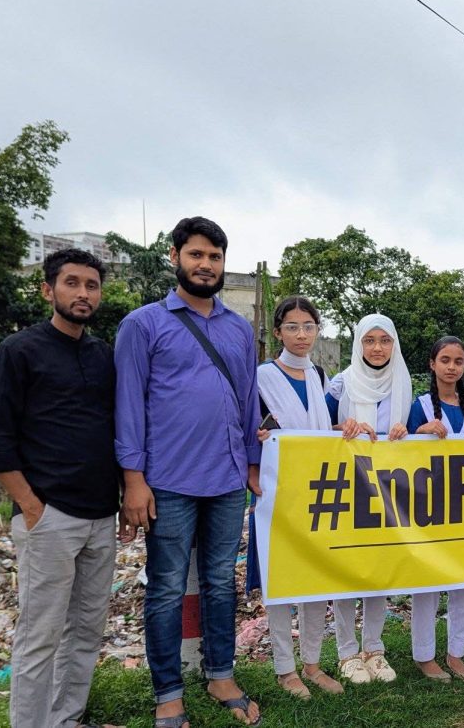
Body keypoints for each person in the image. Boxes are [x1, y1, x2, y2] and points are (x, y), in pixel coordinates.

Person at [115, 217, 261, 728]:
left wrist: (251, 464)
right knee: (166, 588)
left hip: (227, 479)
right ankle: (168, 693)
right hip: (167, 481)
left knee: (221, 582)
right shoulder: (143, 324)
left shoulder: (238, 329)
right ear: (175, 256)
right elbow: (128, 405)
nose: (206, 265)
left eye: (214, 257)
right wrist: (133, 480)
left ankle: (221, 675)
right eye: (196, 254)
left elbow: (248, 401)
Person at [0, 248, 121, 728]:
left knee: (86, 629)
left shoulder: (103, 356)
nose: (83, 293)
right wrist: (30, 505)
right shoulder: (18, 351)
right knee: (40, 634)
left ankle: (65, 719)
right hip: (49, 516)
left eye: (91, 285)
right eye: (72, 283)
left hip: (101, 515)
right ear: (47, 289)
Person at [248, 296, 343, 699]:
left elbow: (318, 431)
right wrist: (258, 447)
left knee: (316, 579)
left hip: (317, 489)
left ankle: (313, 664)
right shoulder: (261, 377)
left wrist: (344, 430)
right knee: (282, 581)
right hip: (278, 492)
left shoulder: (319, 376)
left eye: (308, 326)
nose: (301, 334)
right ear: (278, 332)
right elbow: (250, 427)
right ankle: (285, 670)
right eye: (292, 327)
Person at [325, 313, 412, 684]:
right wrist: (341, 428)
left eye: (385, 340)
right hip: (348, 487)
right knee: (348, 568)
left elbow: (417, 435)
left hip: (387, 490)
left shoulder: (402, 384)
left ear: (394, 344)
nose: (378, 348)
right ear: (358, 343)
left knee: (379, 567)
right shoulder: (341, 385)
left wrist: (408, 431)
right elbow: (315, 430)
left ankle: (374, 649)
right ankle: (347, 653)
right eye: (370, 340)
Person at [407, 336, 464, 682]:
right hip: (429, 507)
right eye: (445, 360)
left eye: (458, 361)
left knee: (463, 582)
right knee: (427, 582)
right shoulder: (419, 406)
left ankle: (456, 653)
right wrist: (420, 432)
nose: (451, 367)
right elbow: (400, 452)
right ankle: (424, 655)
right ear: (432, 364)